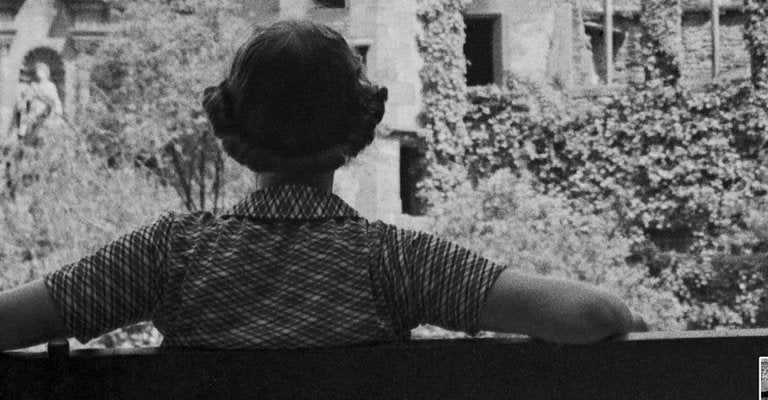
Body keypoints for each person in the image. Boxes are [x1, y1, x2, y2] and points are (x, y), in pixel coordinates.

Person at [0, 20, 646, 351]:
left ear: (229, 131)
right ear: (358, 133)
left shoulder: (168, 254)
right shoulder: (395, 260)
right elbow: (590, 316)